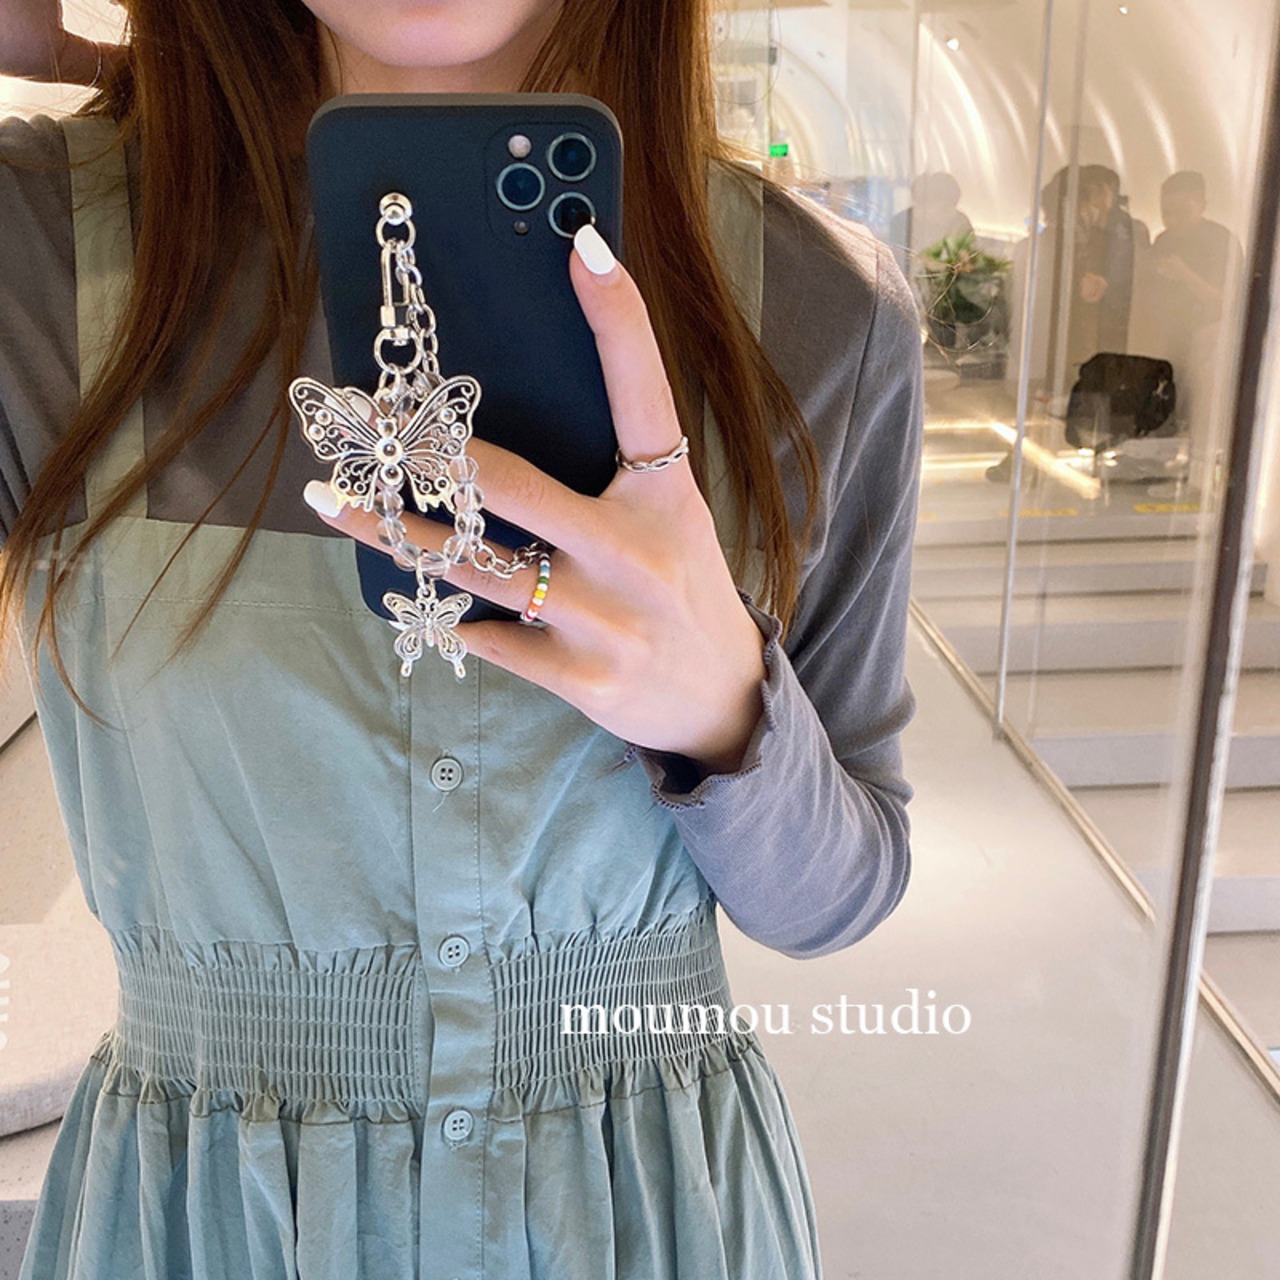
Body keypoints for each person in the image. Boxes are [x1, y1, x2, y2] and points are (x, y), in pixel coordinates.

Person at [0, 1, 924, 1277]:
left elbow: (840, 892)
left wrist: (725, 714)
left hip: (646, 1218)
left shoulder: (817, 304)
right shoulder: (42, 252)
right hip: (209, 1223)